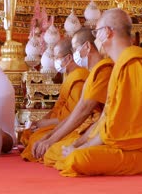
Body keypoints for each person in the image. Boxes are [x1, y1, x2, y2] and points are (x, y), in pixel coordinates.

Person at [60, 8, 142, 176]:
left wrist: (82, 148)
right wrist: (79, 144)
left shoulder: (134, 64)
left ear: (106, 32)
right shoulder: (121, 64)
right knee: (66, 155)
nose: (95, 37)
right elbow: (108, 118)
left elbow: (117, 127)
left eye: (96, 32)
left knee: (75, 159)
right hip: (120, 144)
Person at [38, 28, 114, 165]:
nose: (74, 54)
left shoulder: (104, 70)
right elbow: (78, 110)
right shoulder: (93, 73)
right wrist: (51, 136)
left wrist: (77, 143)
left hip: (102, 131)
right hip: (93, 128)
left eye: (75, 49)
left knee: (57, 152)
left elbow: (84, 111)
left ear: (87, 46)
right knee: (51, 150)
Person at [20, 38, 89, 161]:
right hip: (60, 124)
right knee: (30, 134)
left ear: (68, 58)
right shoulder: (70, 77)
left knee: (38, 139)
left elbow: (76, 116)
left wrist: (46, 124)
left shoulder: (79, 78)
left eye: (57, 57)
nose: (55, 61)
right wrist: (43, 120)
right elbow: (58, 108)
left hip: (72, 127)